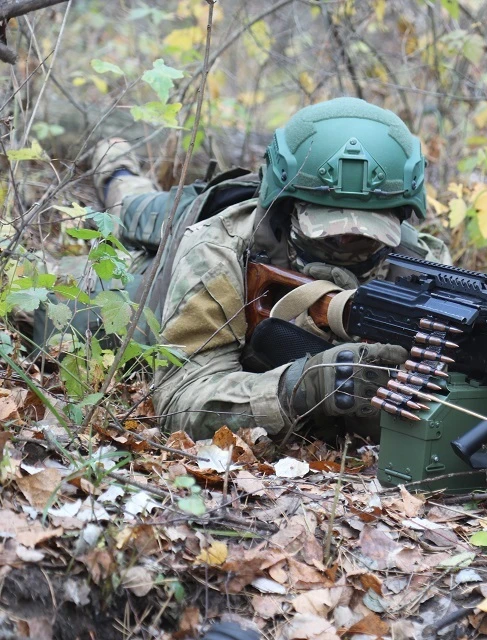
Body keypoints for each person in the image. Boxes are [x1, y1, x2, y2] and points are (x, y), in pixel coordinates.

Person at [86, 97, 450, 441]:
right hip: (166, 261)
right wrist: (302, 386)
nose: (344, 248)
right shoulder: (219, 248)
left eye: (363, 238)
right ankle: (113, 162)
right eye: (328, 235)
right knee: (128, 211)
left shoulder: (421, 269)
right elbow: (179, 397)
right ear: (286, 210)